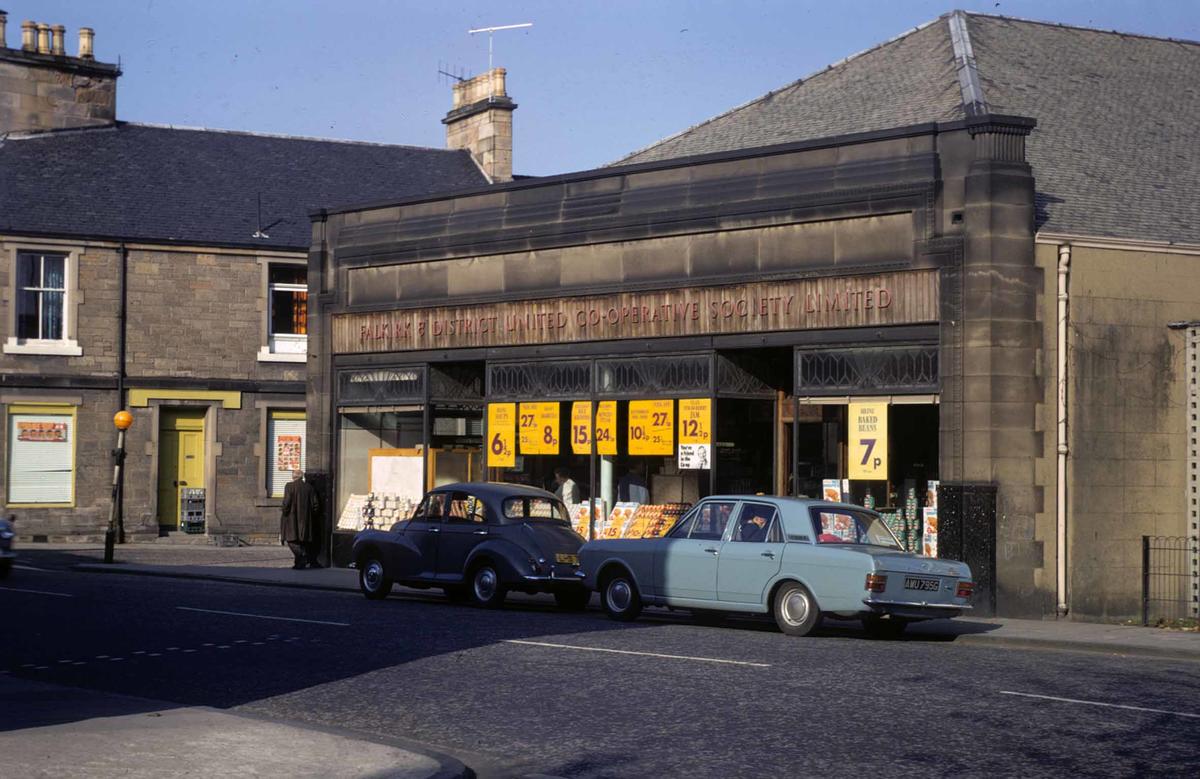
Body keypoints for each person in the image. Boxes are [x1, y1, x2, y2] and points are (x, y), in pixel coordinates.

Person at [281, 470, 322, 569]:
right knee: (302, 541)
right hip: (306, 520)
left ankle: (301, 557)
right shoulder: (309, 487)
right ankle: (299, 562)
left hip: (291, 518)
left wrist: (284, 511)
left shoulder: (289, 486)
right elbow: (315, 505)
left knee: (291, 540)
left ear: (294, 477)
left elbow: (287, 502)